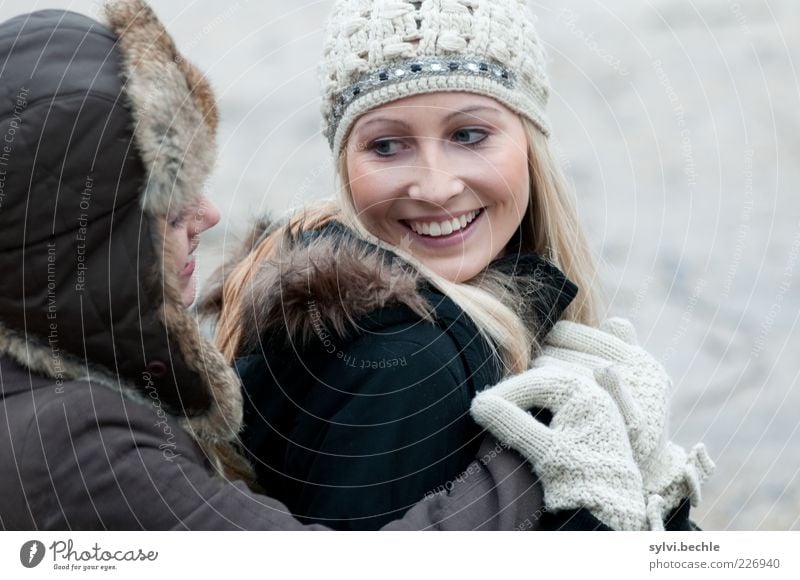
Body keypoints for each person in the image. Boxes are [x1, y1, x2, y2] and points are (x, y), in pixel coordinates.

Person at [0, 0, 549, 531]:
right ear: (88, 239)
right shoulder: (80, 442)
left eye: (470, 134)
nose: (209, 215)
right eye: (168, 209)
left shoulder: (73, 384)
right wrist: (536, 456)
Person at [208, 0, 713, 530]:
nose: (436, 187)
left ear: (530, 142)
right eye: (386, 145)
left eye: (468, 135)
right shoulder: (407, 365)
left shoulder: (435, 317)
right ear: (344, 164)